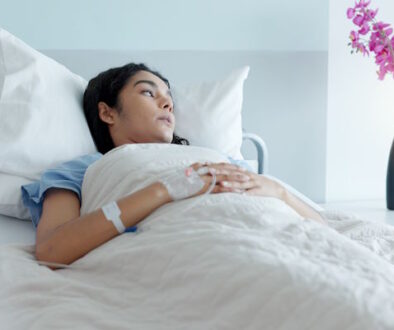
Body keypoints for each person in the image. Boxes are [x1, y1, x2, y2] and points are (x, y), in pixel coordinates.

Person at [21, 63, 326, 269]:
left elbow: (326, 229)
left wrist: (279, 192)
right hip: (199, 253)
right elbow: (51, 251)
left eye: (169, 98)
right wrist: (163, 191)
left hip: (274, 243)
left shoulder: (214, 156)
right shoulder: (81, 170)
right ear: (108, 113)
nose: (167, 104)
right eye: (148, 92)